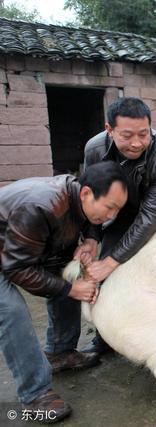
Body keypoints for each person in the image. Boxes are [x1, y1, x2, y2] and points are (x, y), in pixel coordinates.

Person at [0, 161, 128, 422]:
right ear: (86, 194)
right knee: (10, 310)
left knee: (71, 276)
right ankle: (35, 394)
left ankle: (60, 353)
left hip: (22, 248)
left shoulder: (76, 197)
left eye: (118, 209)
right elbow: (17, 269)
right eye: (110, 207)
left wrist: (91, 240)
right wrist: (69, 288)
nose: (112, 216)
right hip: (12, 258)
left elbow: (89, 222)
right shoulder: (41, 207)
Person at [79, 97, 156, 354]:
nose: (137, 143)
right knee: (105, 263)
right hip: (125, 208)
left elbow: (151, 216)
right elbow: (94, 196)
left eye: (144, 134)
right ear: (110, 129)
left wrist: (112, 262)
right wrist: (92, 238)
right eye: (127, 135)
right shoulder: (94, 149)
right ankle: (106, 335)